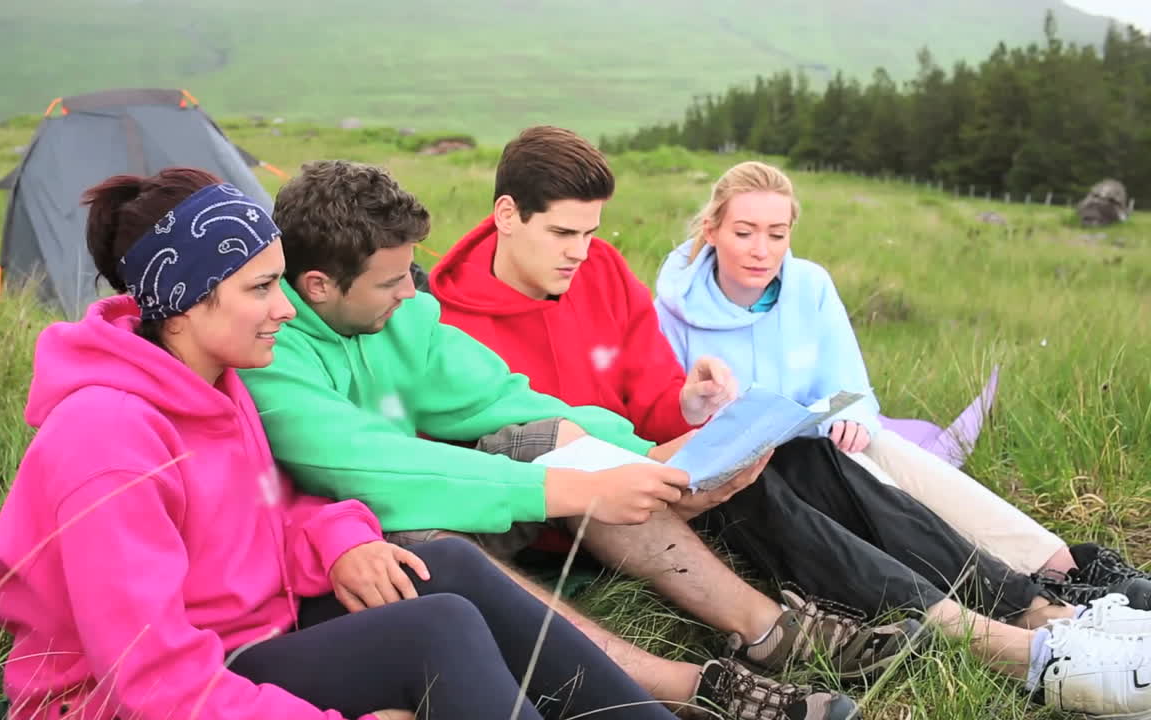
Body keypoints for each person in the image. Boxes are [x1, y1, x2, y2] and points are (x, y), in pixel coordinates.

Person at [427, 127, 1151, 716]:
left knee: (798, 453)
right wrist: (655, 456)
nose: (581, 253)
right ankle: (1002, 644)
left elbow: (648, 389)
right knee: (763, 484)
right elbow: (508, 458)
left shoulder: (605, 269)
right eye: (564, 234)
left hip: (658, 460)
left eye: (591, 233)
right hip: (583, 517)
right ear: (506, 215)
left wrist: (691, 402)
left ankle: (1036, 611)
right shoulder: (443, 323)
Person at [0, 167, 718, 720]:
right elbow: (152, 679)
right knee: (435, 633)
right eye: (261, 290)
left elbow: (272, 506)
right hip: (148, 691)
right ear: (183, 305)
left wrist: (337, 539)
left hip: (249, 631)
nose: (283, 310)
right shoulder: (107, 440)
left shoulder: (212, 383)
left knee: (445, 570)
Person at [239, 160, 862, 720]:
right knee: (427, 543)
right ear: (319, 285)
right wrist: (571, 489)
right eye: (391, 281)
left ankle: (769, 630)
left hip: (427, 512)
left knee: (553, 436)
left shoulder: (401, 316)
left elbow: (501, 397)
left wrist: (640, 456)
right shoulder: (269, 352)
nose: (411, 291)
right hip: (351, 551)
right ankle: (694, 689)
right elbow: (375, 468)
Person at [651, 159, 1151, 610]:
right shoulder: (673, 308)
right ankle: (1008, 596)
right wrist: (695, 405)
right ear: (713, 230)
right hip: (751, 476)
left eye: (777, 234)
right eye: (744, 232)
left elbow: (852, 388)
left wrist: (850, 416)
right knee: (881, 490)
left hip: (817, 440)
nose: (762, 251)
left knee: (888, 451)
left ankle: (1067, 567)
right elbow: (666, 417)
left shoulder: (810, 286)